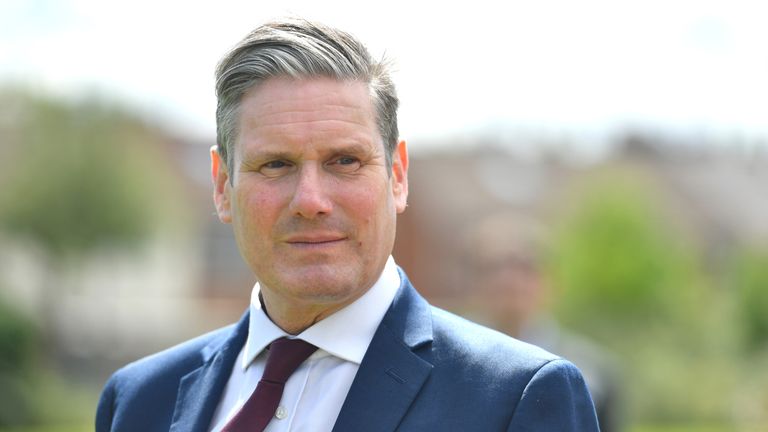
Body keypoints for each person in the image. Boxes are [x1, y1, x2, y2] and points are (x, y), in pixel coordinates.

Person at [95, 18, 600, 432]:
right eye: (275, 165)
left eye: (344, 161)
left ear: (398, 177)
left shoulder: (515, 399)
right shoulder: (139, 402)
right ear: (222, 185)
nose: (310, 200)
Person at [463, 212, 623, 431]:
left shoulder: (593, 375)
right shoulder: (442, 367)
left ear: (551, 280)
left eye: (525, 267)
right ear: (471, 282)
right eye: (494, 268)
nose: (510, 281)